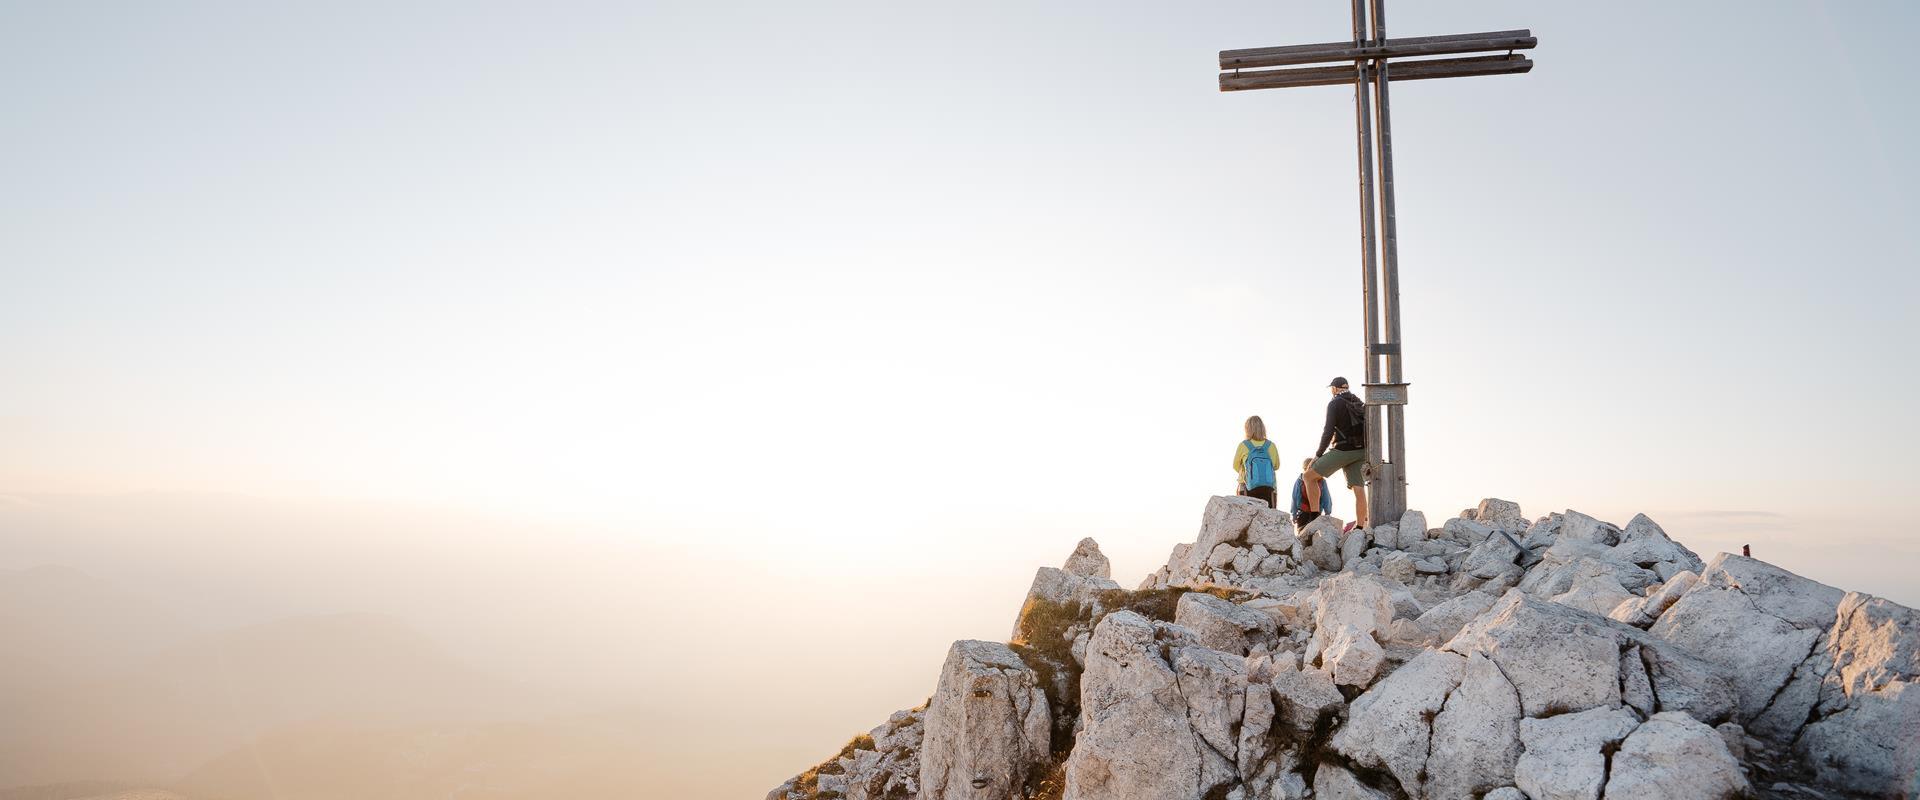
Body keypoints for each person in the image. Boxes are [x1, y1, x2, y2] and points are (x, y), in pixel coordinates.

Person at [1304, 376, 1369, 531]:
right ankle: (1360, 527)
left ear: (1334, 388)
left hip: (1342, 450)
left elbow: (1328, 432)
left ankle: (1314, 518)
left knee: (1308, 476)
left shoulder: (1334, 403)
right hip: (1361, 451)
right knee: (1358, 488)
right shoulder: (1358, 401)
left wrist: (1318, 454)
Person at [1233, 416, 1281, 508]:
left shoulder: (1243, 445)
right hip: (1268, 488)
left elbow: (1235, 466)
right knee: (1268, 518)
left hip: (1247, 488)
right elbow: (1276, 466)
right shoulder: (1271, 445)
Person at [1290, 457, 1332, 528]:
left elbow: (1294, 498)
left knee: (1302, 534)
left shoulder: (1300, 480)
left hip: (1303, 513)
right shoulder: (1321, 481)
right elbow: (1326, 498)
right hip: (1315, 513)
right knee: (1315, 533)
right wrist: (1328, 512)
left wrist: (1294, 514)